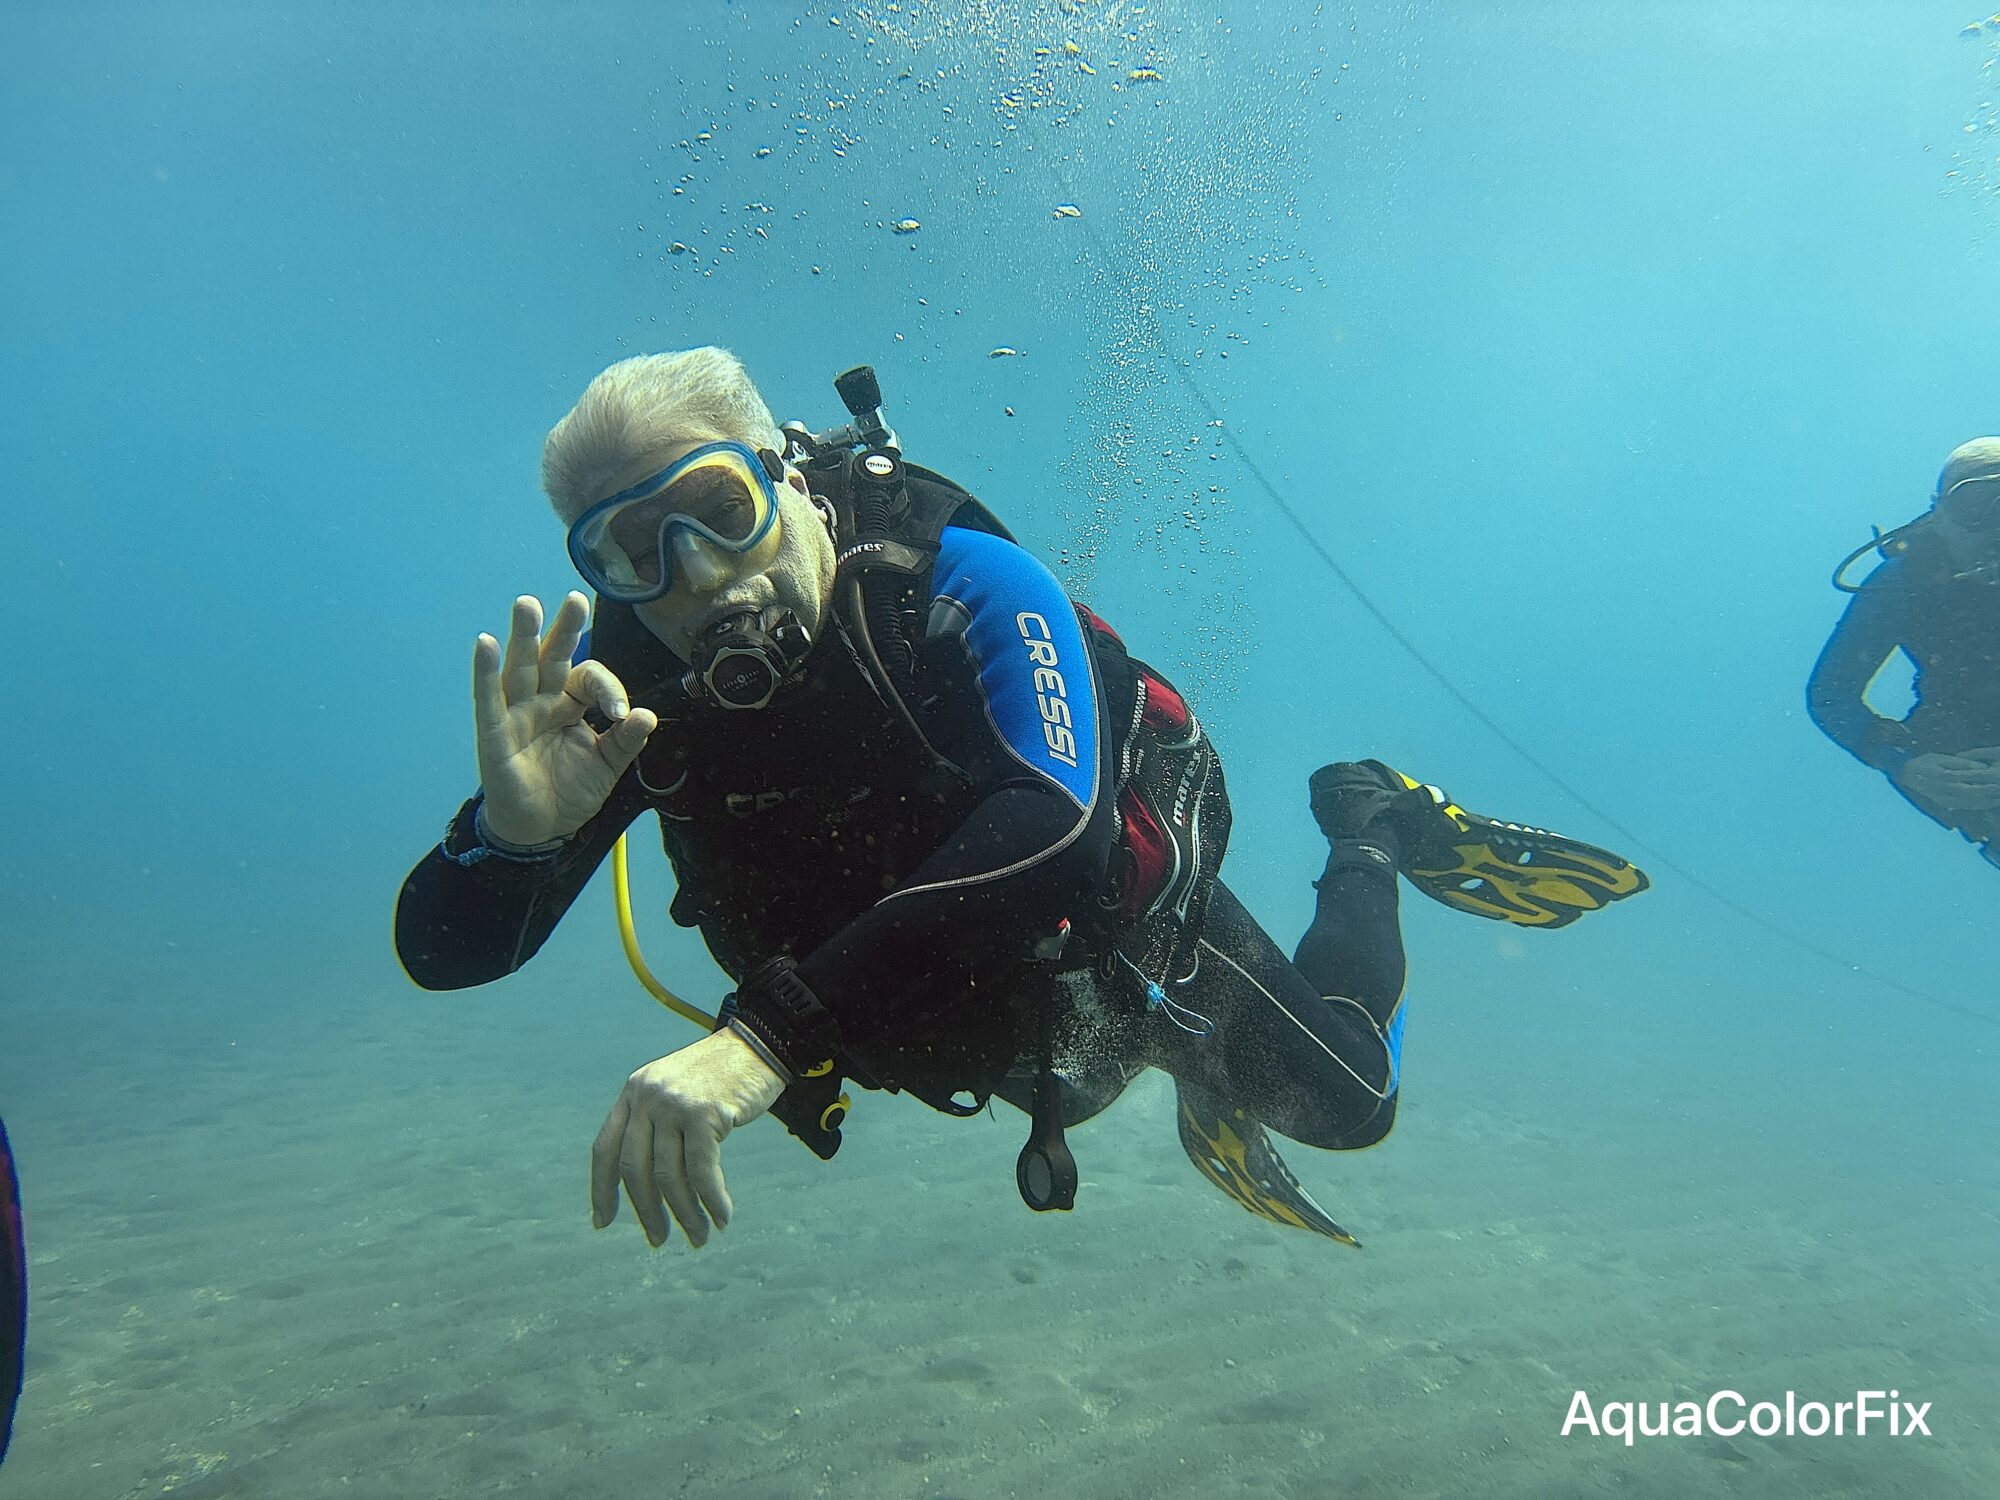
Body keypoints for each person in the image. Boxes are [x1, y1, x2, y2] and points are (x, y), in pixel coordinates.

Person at [394, 349, 1648, 1250]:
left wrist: (764, 1039)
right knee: (1087, 1087)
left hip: (1122, 940)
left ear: (786, 478)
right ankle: (1184, 1068)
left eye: (719, 511)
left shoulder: (955, 577)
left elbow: (1051, 825)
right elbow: (446, 955)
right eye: (629, 552)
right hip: (963, 1010)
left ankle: (1369, 822)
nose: (695, 576)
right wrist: (513, 839)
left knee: (1352, 1104)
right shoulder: (627, 697)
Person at [1811, 438, 2000, 869]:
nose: (1997, 528)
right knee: (1940, 734)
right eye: (1975, 504)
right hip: (1963, 737)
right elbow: (1831, 695)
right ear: (1939, 515)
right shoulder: (1905, 583)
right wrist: (1903, 762)